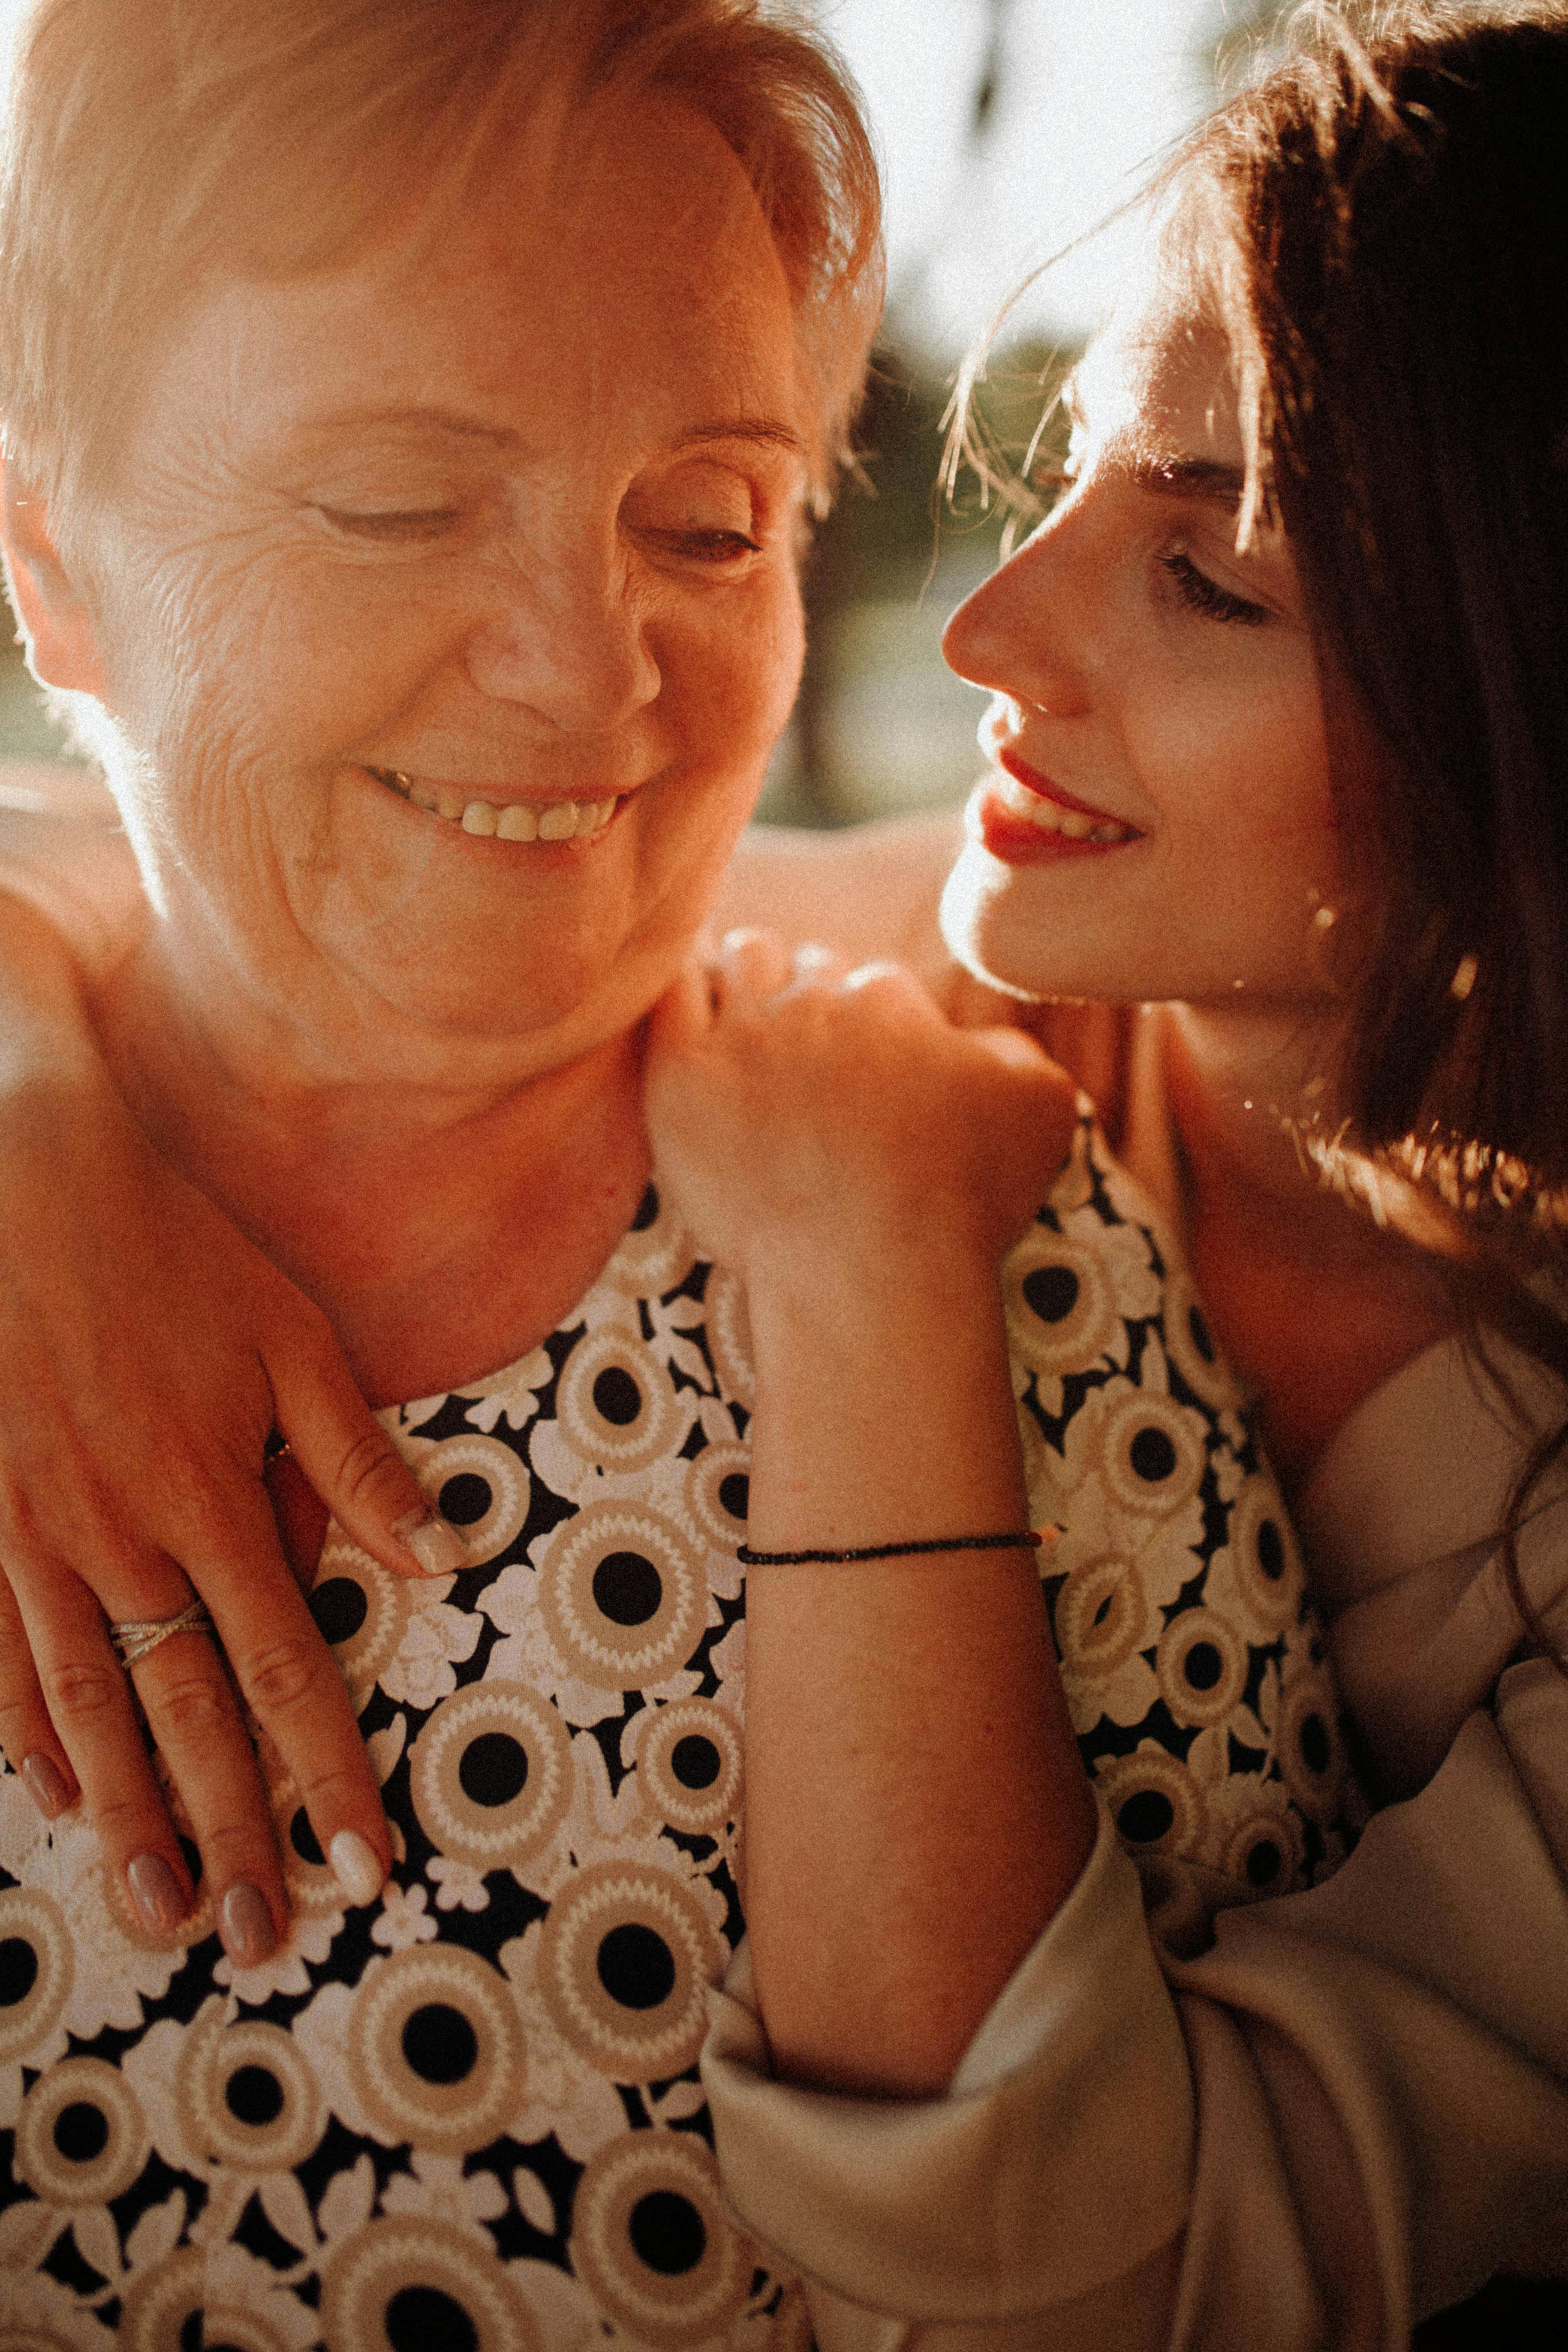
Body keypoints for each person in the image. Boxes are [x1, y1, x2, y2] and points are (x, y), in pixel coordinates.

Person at [0, 0, 1340, 2343]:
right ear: (53, 574)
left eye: (710, 519)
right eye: (404, 498)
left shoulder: (991, 1247)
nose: (589, 669)